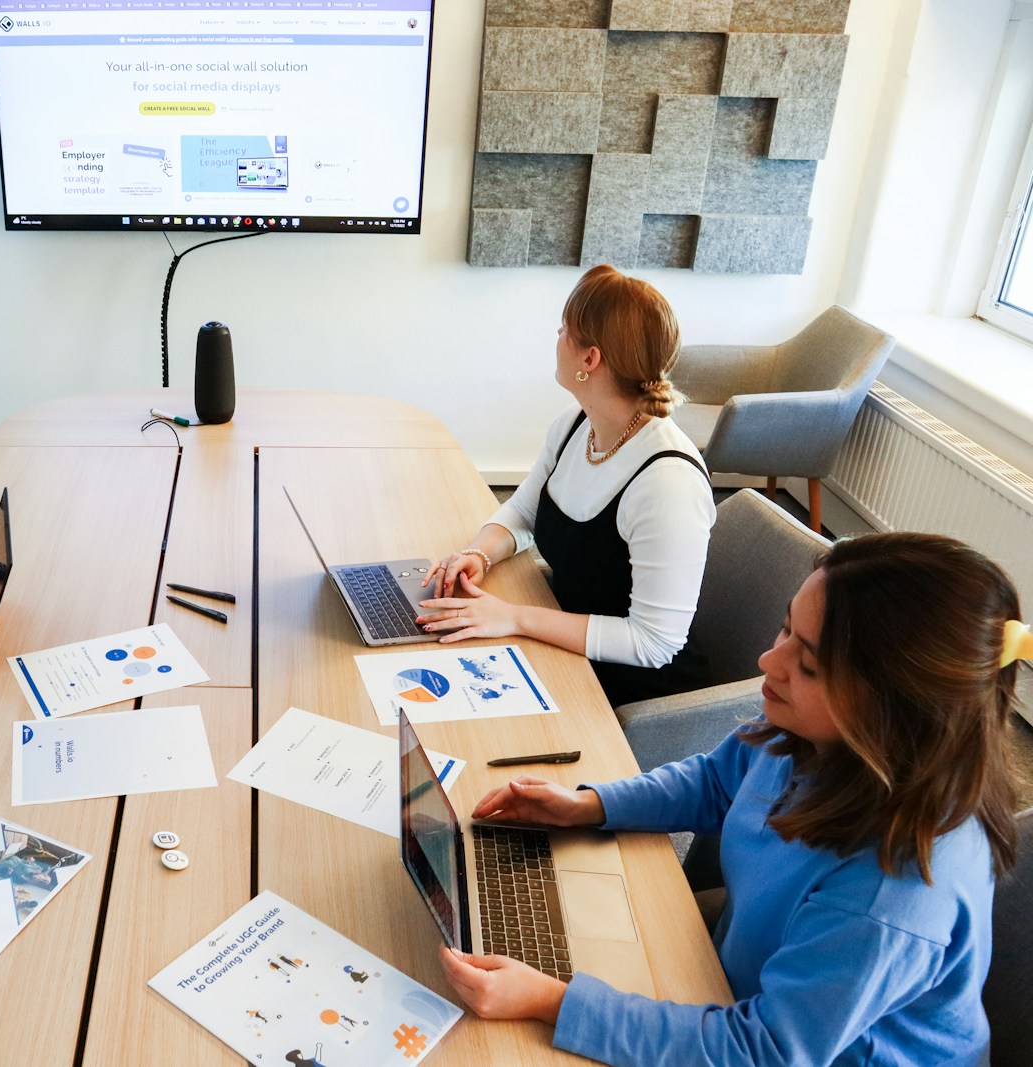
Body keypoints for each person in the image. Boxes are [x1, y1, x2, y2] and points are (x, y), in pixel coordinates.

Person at [438, 532, 1023, 1066]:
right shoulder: (810, 736)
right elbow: (718, 781)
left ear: (894, 711)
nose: (771, 662)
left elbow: (764, 1051)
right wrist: (589, 805)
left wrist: (554, 1003)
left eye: (810, 664)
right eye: (786, 628)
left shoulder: (892, 889)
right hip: (742, 988)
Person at [419, 264, 714, 706]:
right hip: (561, 637)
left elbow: (654, 644)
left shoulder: (667, 484)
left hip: (628, 690)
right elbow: (524, 511)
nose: (556, 338)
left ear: (589, 359)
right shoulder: (577, 425)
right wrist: (479, 553)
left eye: (562, 330)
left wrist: (516, 617)